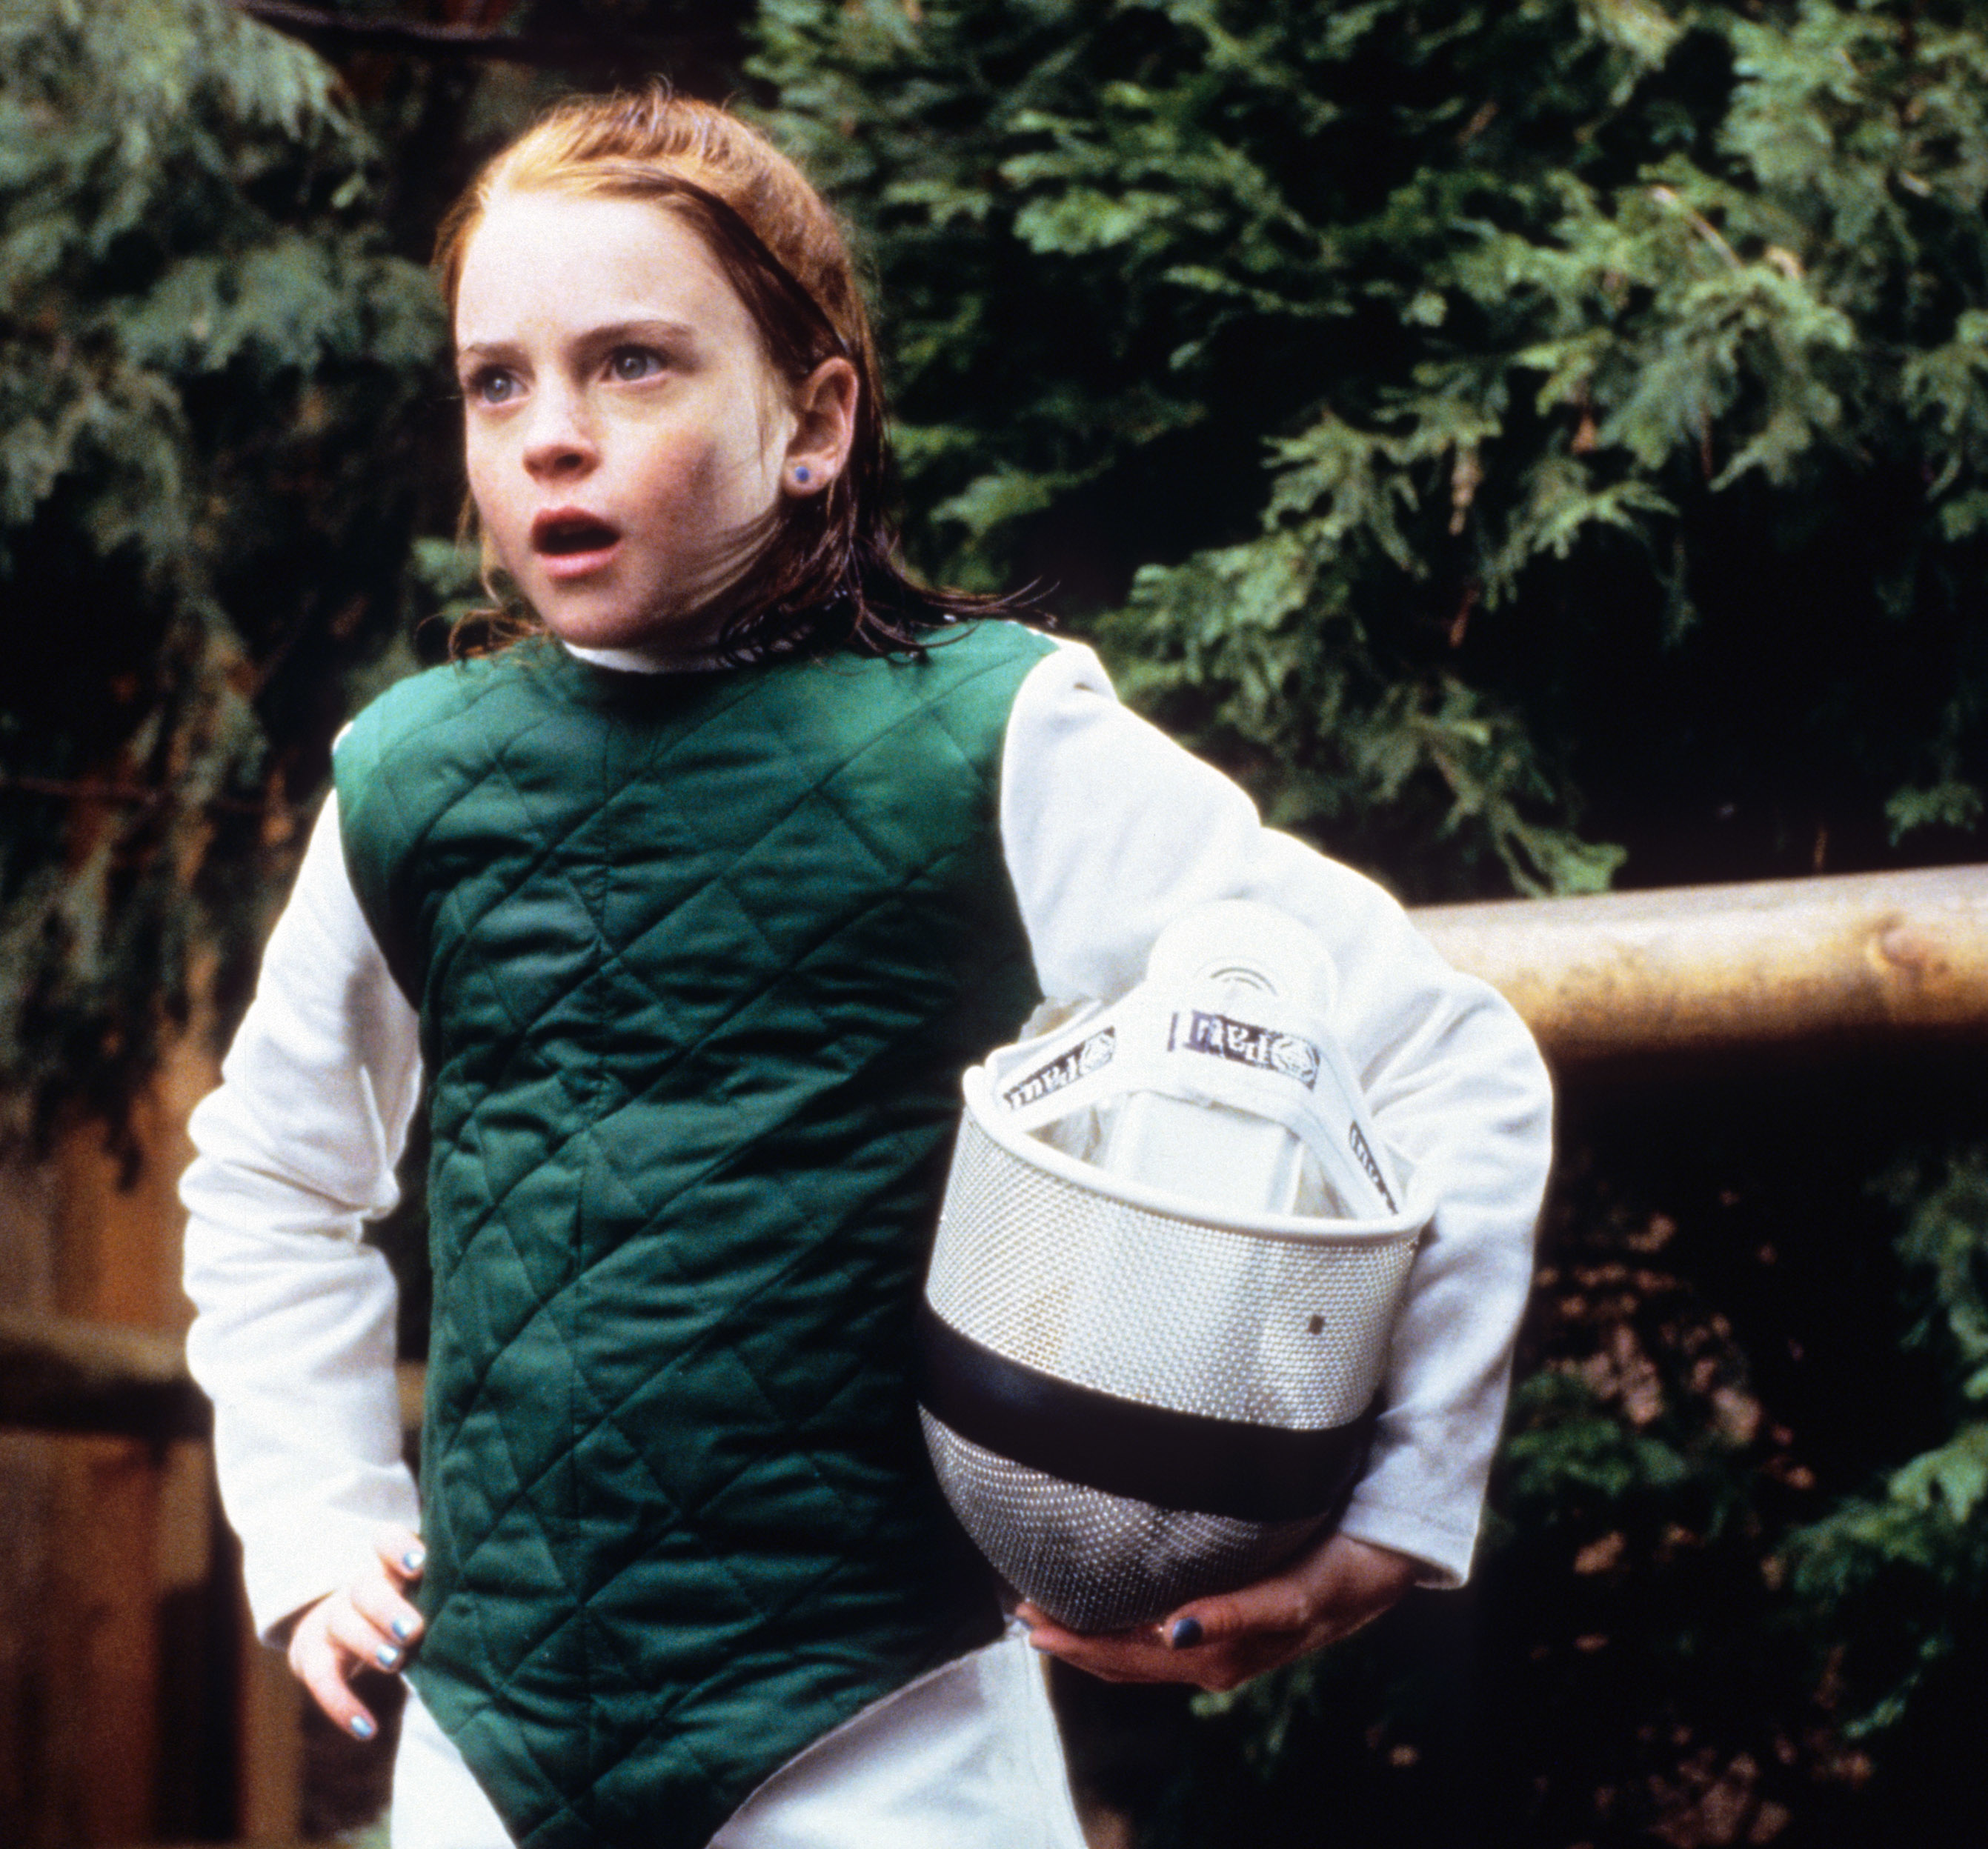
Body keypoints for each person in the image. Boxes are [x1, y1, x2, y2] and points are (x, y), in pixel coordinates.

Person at [179, 85, 1552, 1849]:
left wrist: (1386, 1519)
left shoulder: (988, 738)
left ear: (812, 419)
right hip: (485, 1759)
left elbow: (1440, 1056)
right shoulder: (411, 773)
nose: (551, 437)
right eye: (496, 380)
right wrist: (309, 1519)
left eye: (634, 366)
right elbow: (273, 1173)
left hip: (885, 1745)